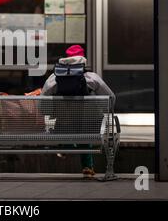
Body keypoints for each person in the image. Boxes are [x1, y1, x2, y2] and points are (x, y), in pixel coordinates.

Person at [41, 45, 116, 178]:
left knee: (72, 125)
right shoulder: (92, 78)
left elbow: (44, 104)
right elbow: (111, 98)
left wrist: (51, 114)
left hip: (64, 126)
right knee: (85, 129)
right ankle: (87, 166)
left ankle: (67, 145)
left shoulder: (53, 79)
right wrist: (104, 110)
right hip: (91, 126)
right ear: (83, 60)